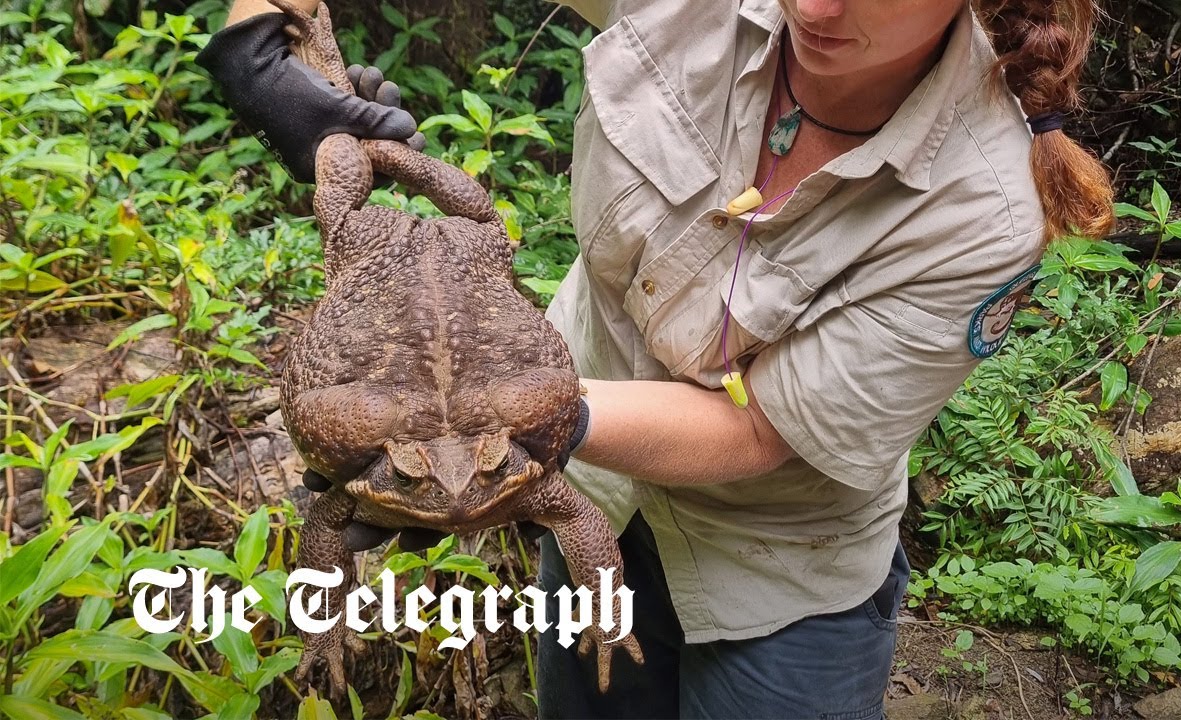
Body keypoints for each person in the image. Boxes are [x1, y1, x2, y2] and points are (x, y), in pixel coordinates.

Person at [198, 0, 1114, 718]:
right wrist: (267, 49)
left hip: (777, 571)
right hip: (590, 501)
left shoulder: (986, 210)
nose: (819, 9)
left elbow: (763, 431)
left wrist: (506, 426)